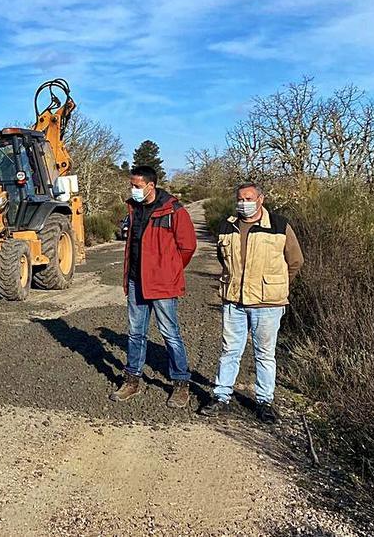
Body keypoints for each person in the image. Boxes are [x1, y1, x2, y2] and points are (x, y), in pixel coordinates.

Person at [199, 182, 304, 424]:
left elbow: (295, 261)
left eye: (248, 198)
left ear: (260, 199)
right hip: (234, 300)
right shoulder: (227, 225)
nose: (243, 203)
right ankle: (221, 396)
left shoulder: (279, 225)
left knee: (265, 353)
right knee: (229, 350)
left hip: (267, 303)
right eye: (239, 198)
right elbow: (222, 258)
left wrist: (275, 286)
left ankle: (265, 401)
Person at [109, 165, 197, 408]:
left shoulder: (173, 210)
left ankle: (180, 384)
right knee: (136, 333)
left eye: (137, 185)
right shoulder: (134, 208)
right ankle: (132, 380)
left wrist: (170, 269)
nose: (132, 189)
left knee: (170, 333)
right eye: (131, 185)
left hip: (162, 283)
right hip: (136, 280)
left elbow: (188, 247)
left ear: (151, 186)